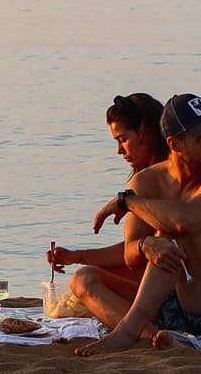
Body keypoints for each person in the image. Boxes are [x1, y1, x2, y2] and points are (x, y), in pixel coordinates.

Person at [77, 92, 201, 356]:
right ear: (175, 144)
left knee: (175, 231)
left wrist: (127, 202)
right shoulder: (145, 183)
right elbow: (130, 255)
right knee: (85, 277)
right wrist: (145, 243)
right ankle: (153, 336)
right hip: (177, 307)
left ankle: (127, 331)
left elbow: (185, 222)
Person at [46, 93, 170, 323]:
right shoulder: (178, 172)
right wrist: (77, 256)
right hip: (185, 284)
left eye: (123, 139)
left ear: (144, 132)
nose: (120, 151)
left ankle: (146, 335)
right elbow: (136, 250)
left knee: (82, 281)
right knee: (102, 276)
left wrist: (80, 259)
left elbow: (131, 255)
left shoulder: (146, 181)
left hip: (171, 293)